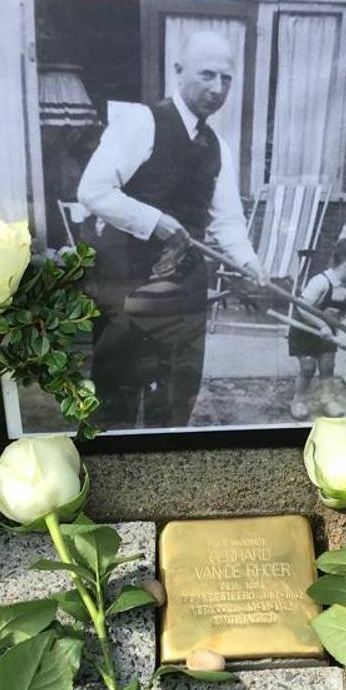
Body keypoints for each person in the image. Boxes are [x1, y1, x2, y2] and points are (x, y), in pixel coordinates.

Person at [77, 30, 265, 429]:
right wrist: (153, 220)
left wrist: (248, 261)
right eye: (207, 75)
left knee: (177, 392)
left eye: (226, 79)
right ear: (179, 71)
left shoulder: (218, 146)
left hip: (185, 284)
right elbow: (92, 191)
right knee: (117, 391)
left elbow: (227, 220)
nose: (217, 88)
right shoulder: (141, 122)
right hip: (126, 280)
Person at [287, 236, 346, 419]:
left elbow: (343, 318)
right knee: (308, 367)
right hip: (305, 330)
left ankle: (327, 400)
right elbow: (302, 307)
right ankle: (299, 400)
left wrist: (343, 335)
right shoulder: (321, 281)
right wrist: (322, 325)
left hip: (328, 334)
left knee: (327, 366)